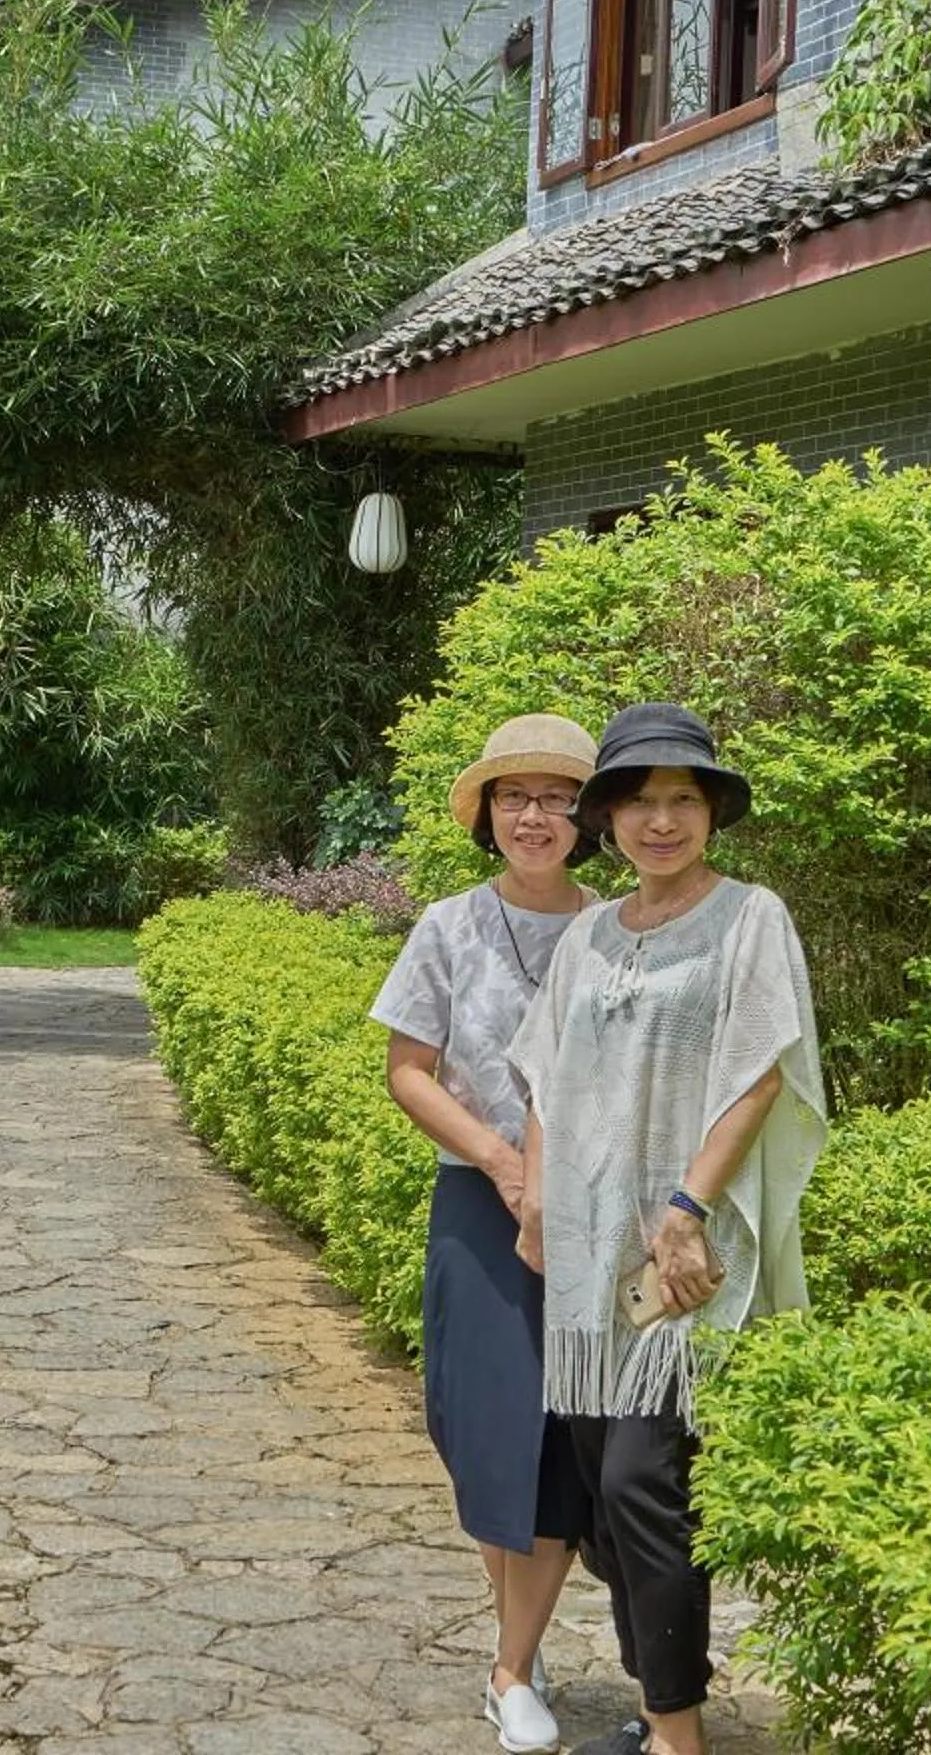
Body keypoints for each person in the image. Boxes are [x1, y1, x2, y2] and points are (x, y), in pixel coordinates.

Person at [506, 703, 828, 1755]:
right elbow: (547, 1076)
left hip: (681, 1253)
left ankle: (677, 1735)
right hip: (592, 1256)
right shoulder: (592, 934)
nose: (660, 820)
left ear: (711, 814)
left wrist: (687, 1208)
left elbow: (760, 1067)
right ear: (606, 817)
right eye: (638, 801)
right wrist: (539, 1200)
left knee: (648, 1479)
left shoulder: (748, 918)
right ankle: (658, 1713)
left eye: (681, 800)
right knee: (605, 1494)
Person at [369, 714, 602, 1755]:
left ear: (586, 817)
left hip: (596, 1212)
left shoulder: (621, 927)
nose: (537, 816)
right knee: (484, 1429)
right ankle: (526, 1635)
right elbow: (408, 1069)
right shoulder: (449, 926)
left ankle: (512, 1665)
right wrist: (507, 1165)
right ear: (488, 815)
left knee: (556, 1440)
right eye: (518, 797)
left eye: (558, 797)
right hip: (478, 1202)